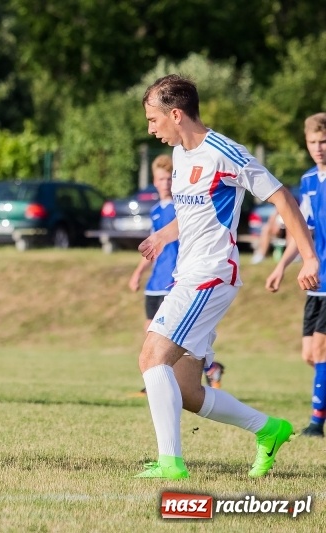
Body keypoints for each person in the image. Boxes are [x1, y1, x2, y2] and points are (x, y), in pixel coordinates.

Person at [135, 74, 319, 479]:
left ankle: (170, 464)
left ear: (176, 114)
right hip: (190, 274)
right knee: (185, 391)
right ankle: (269, 430)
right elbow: (194, 214)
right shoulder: (183, 153)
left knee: (151, 358)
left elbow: (281, 196)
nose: (150, 129)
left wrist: (308, 259)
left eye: (153, 119)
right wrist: (164, 236)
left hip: (211, 275)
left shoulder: (224, 152)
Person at [128, 155, 224, 396]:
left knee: (172, 335)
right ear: (154, 180)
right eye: (160, 179)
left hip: (174, 280)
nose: (165, 184)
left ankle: (203, 369)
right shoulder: (156, 211)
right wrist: (138, 273)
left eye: (168, 178)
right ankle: (163, 377)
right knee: (151, 330)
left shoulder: (180, 209)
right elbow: (152, 246)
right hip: (155, 283)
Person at [265, 112, 326, 438]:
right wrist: (280, 266)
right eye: (313, 142)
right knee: (309, 356)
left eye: (324, 141)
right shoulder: (308, 182)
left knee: (321, 353)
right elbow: (304, 232)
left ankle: (316, 423)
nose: (319, 148)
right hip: (315, 282)